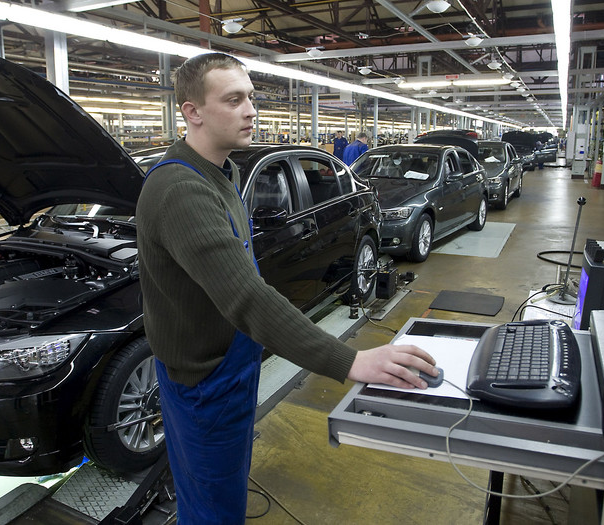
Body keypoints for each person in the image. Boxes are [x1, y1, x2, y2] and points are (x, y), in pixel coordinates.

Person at [135, 53, 437, 524]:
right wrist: (351, 360)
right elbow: (245, 295)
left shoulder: (224, 173)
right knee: (212, 506)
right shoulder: (181, 190)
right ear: (192, 112)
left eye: (251, 97)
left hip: (230, 362)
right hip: (205, 381)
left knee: (223, 487)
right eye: (233, 100)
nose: (251, 110)